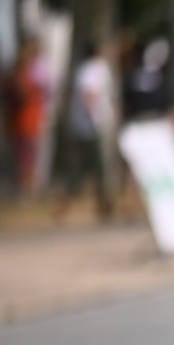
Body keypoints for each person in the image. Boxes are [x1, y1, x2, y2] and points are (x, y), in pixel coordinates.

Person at [53, 41, 116, 223]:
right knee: (93, 168)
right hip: (90, 127)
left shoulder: (92, 68)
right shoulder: (92, 70)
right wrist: (92, 118)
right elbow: (88, 95)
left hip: (88, 125)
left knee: (93, 169)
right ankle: (98, 204)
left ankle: (104, 205)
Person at [4, 38, 52, 197]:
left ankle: (27, 190)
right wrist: (36, 92)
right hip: (22, 123)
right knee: (24, 158)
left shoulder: (25, 76)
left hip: (29, 122)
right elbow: (21, 95)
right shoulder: (18, 77)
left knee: (28, 157)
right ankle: (24, 191)